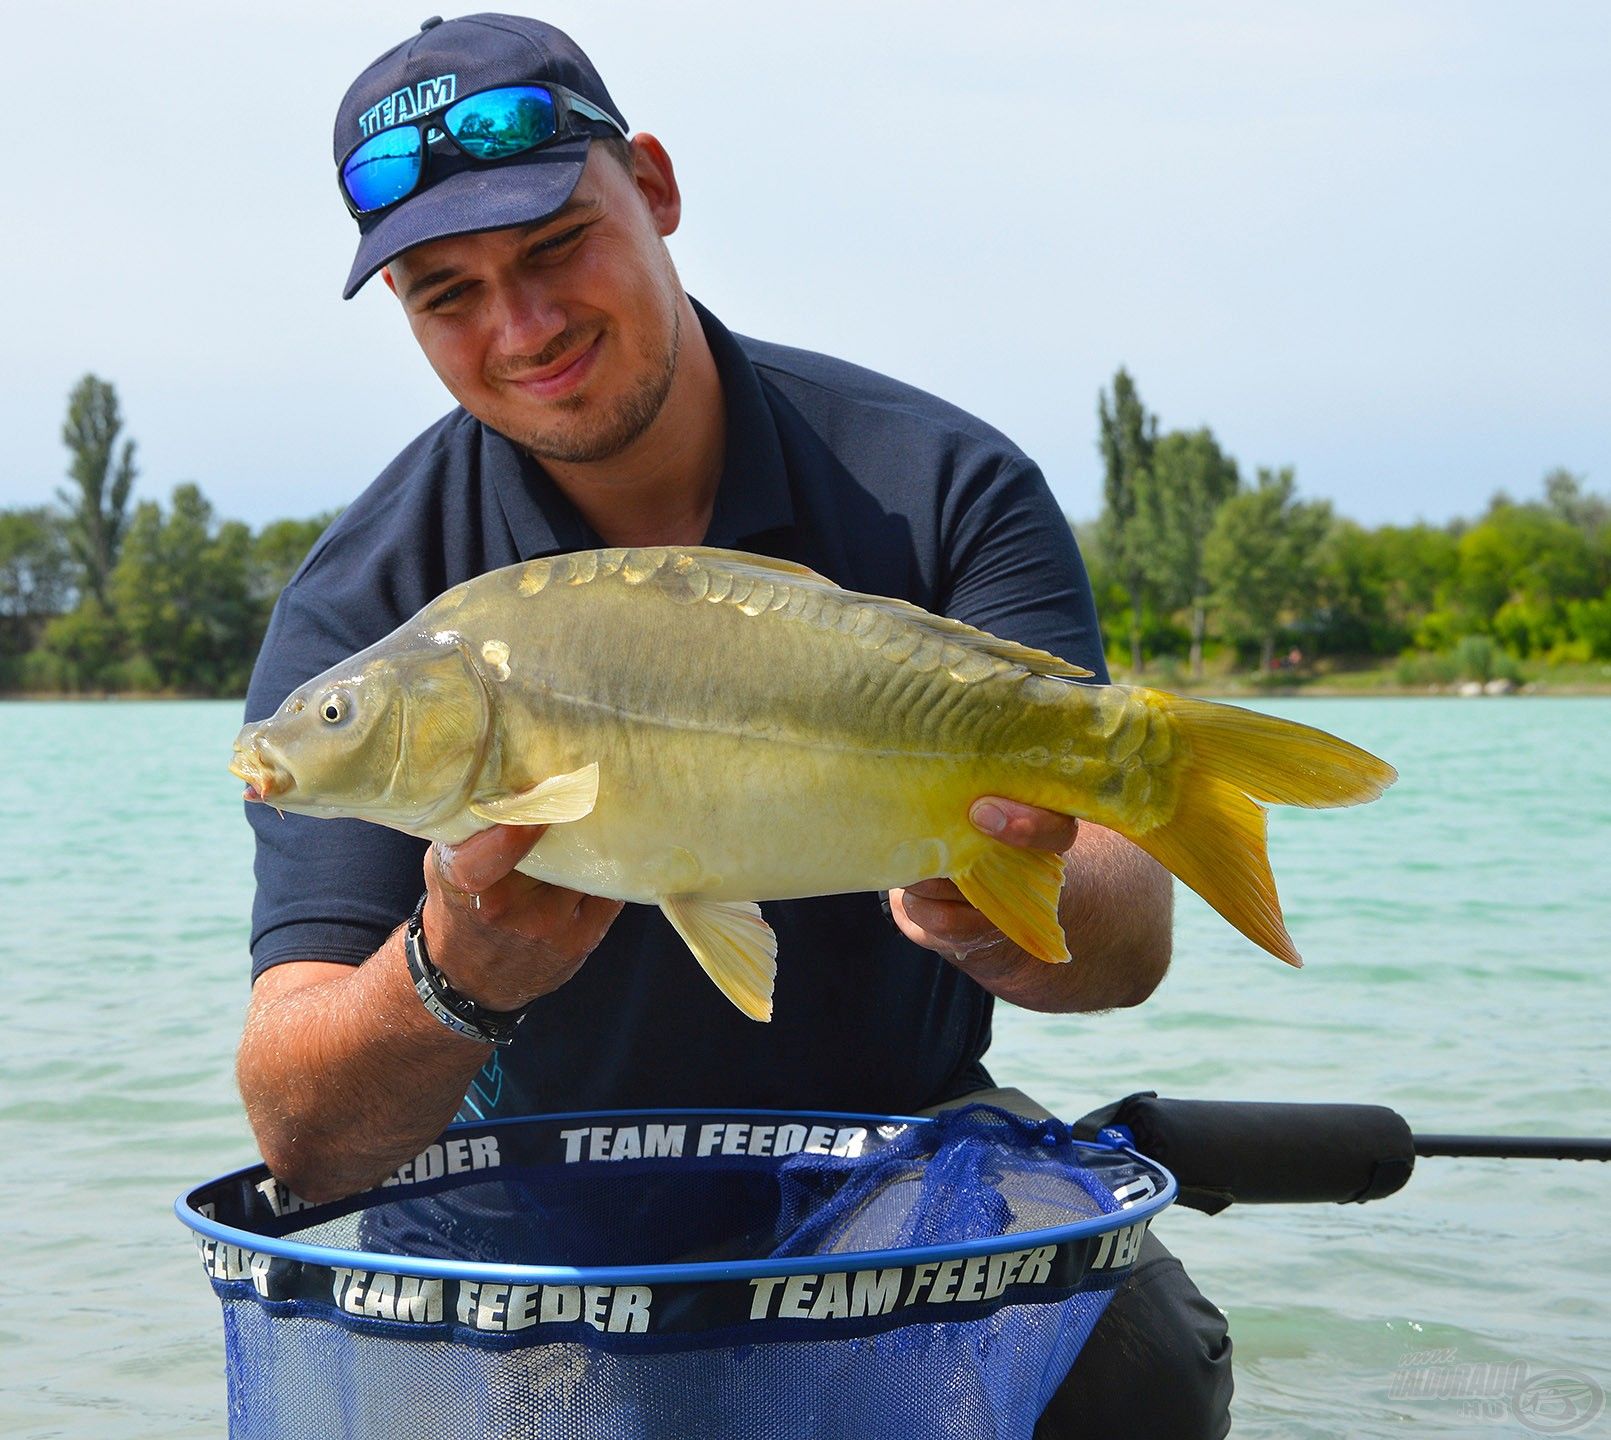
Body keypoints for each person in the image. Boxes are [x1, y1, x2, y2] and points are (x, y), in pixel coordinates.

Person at [238, 14, 1231, 1436]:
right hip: (526, 1212)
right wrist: (453, 978)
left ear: (653, 187)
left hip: (894, 1171)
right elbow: (296, 1122)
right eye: (445, 292)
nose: (521, 329)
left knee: (1138, 1365)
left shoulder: (939, 486)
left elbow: (1127, 933)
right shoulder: (378, 607)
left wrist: (1016, 900)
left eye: (556, 245)